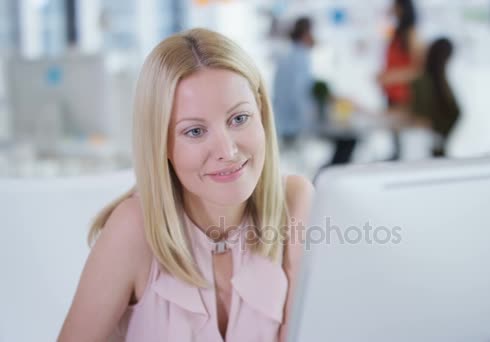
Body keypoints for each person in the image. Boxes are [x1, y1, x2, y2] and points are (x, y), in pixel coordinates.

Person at [58, 28, 314, 342]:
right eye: (194, 131)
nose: (227, 151)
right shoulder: (134, 228)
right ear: (161, 143)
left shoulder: (295, 201)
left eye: (239, 119)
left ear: (261, 113)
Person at [377, 0, 425, 160]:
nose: (391, 9)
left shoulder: (411, 33)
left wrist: (392, 77)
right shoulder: (396, 32)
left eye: (395, 7)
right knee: (395, 142)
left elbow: (419, 70)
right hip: (392, 95)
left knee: (402, 146)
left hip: (404, 97)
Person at [411, 37, 460, 157]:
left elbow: (419, 119)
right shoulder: (441, 82)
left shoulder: (424, 81)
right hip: (437, 150)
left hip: (427, 150)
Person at [273, 17, 316, 149]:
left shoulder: (288, 54)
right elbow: (298, 92)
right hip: (293, 122)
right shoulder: (300, 58)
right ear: (305, 34)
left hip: (283, 120)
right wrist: (308, 119)